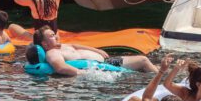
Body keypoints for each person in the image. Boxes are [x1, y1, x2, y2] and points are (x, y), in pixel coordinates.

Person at [25, 26, 156, 76]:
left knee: (145, 63)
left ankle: (160, 73)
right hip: (104, 66)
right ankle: (162, 78)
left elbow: (76, 46)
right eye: (52, 36)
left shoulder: (63, 46)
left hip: (107, 61)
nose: (56, 36)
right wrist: (83, 73)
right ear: (44, 44)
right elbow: (60, 67)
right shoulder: (52, 53)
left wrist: (97, 50)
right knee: (143, 61)